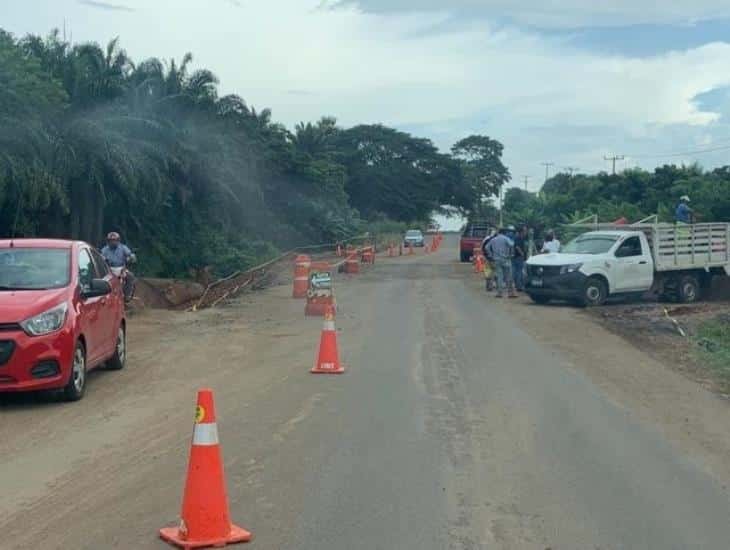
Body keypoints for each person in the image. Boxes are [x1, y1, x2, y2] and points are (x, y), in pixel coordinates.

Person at [101, 231, 136, 302]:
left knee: (130, 276)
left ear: (118, 241)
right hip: (108, 269)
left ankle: (127, 296)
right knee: (100, 280)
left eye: (115, 240)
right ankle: (101, 297)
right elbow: (100, 257)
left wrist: (131, 257)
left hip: (121, 268)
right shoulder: (105, 249)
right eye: (111, 241)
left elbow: (131, 255)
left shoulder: (123, 248)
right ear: (108, 241)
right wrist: (103, 259)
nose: (113, 242)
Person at [486, 228, 517, 298]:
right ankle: (510, 293)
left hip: (496, 259)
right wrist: (511, 253)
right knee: (508, 276)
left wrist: (491, 255)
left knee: (499, 276)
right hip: (505, 259)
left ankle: (499, 293)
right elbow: (512, 245)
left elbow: (487, 247)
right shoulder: (505, 238)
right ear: (505, 233)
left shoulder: (493, 239)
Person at [512, 226, 528, 291]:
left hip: (516, 257)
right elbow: (517, 247)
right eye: (525, 230)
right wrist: (522, 254)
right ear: (522, 231)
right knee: (519, 272)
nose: (526, 232)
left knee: (516, 271)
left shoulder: (520, 237)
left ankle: (517, 285)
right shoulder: (518, 238)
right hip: (518, 257)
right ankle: (519, 286)